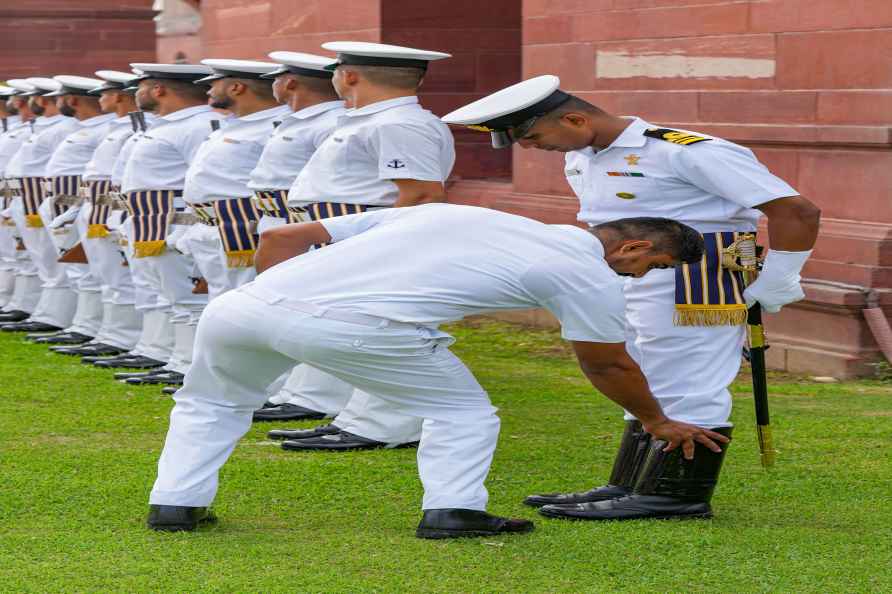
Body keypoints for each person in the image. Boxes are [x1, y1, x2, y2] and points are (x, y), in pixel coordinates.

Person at [147, 202, 730, 538]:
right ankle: (454, 511)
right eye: (656, 266)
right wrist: (655, 420)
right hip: (353, 324)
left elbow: (281, 234)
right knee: (463, 413)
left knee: (211, 403)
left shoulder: (459, 211)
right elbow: (605, 362)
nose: (646, 279)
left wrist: (276, 299)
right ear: (632, 249)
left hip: (241, 307)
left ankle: (174, 504)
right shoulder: (585, 272)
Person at [442, 75, 821, 521]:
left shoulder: (683, 150)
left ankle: (676, 494)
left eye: (533, 136)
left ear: (575, 118)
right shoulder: (581, 157)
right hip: (624, 273)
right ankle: (631, 484)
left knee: (686, 380)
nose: (530, 148)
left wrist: (780, 277)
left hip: (692, 275)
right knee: (645, 375)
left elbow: (796, 210)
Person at [251, 42, 452, 452]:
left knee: (383, 326)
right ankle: (358, 416)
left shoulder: (399, 123)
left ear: (350, 75)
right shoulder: (369, 120)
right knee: (351, 325)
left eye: (337, 70)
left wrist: (375, 251)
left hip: (372, 238)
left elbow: (422, 194)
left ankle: (386, 424)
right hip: (344, 234)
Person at [106, 63, 217, 381]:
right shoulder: (163, 125)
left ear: (158, 89)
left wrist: (188, 226)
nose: (135, 94)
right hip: (147, 220)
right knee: (164, 293)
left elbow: (203, 181)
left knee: (187, 297)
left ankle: (189, 364)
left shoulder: (197, 125)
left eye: (141, 86)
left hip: (175, 219)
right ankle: (170, 355)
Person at [53, 70, 147, 359]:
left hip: (115, 206)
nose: (100, 100)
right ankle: (104, 330)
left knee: (119, 276)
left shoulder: (133, 127)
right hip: (94, 204)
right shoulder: (118, 128)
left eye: (104, 94)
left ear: (118, 96)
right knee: (101, 273)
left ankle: (122, 336)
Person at [29, 75, 116, 346]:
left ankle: (90, 326)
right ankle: (81, 322)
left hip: (79, 199)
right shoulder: (82, 128)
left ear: (72, 99)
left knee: (88, 267)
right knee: (73, 264)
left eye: (61, 98)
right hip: (60, 199)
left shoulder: (104, 128)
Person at [1, 77, 80, 334]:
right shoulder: (41, 127)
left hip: (44, 196)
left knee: (50, 258)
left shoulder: (64, 127)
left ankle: (53, 313)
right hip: (22, 196)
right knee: (32, 256)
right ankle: (28, 304)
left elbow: (62, 169)